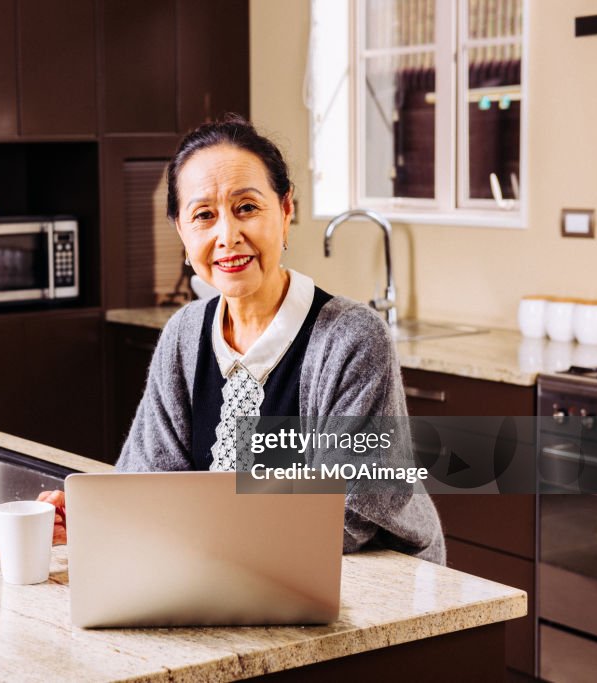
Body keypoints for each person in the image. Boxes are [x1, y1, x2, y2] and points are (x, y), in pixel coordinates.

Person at [40, 115, 445, 564]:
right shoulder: (185, 335)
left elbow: (350, 511)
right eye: (204, 215)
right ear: (181, 231)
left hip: (370, 583)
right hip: (238, 573)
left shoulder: (352, 338)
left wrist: (195, 531)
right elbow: (150, 481)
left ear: (286, 210)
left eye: (247, 208)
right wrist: (98, 518)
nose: (228, 236)